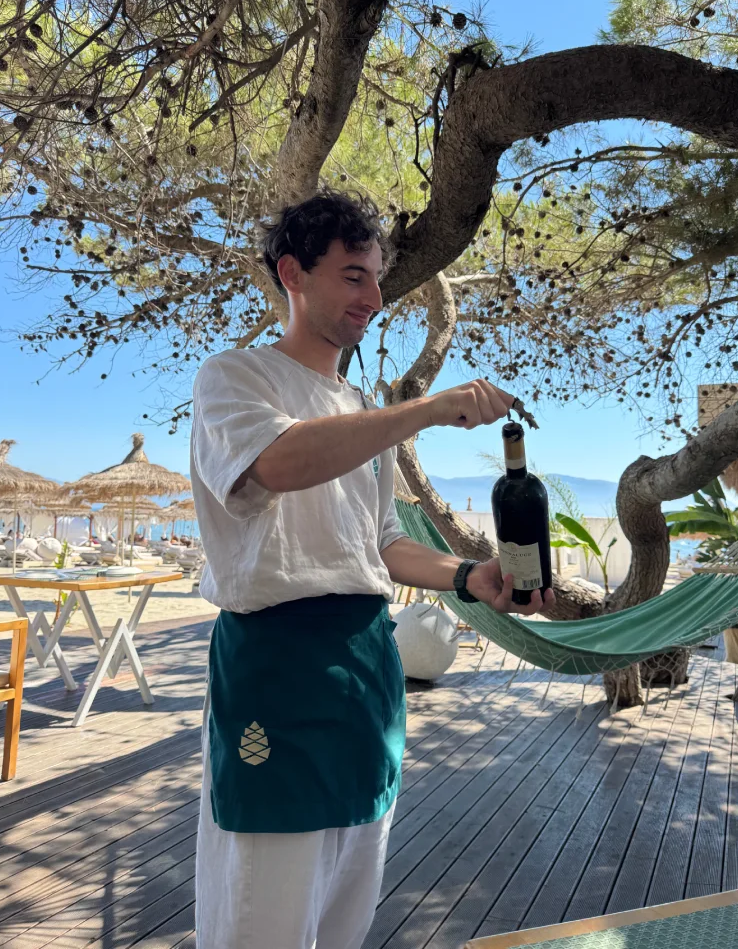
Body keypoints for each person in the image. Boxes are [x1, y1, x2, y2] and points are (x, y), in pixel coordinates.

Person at [190, 189, 555, 949]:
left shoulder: (359, 408)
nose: (375, 299)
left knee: (345, 916)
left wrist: (469, 576)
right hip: (278, 670)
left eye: (378, 279)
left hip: (366, 672)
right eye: (354, 276)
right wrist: (426, 410)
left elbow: (381, 543)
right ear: (293, 273)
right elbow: (280, 463)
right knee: (264, 919)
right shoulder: (235, 379)